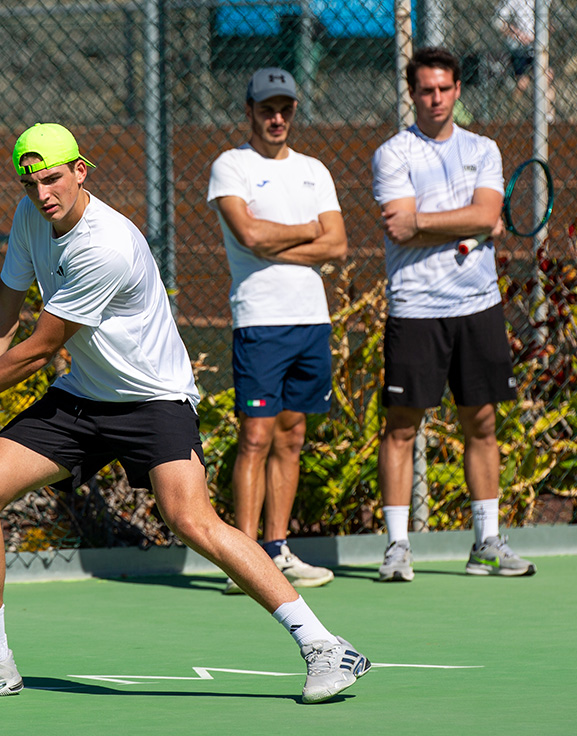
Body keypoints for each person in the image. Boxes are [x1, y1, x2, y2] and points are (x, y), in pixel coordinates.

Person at [0, 123, 370, 703]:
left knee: (192, 521)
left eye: (52, 179)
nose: (42, 194)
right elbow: (3, 313)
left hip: (154, 399)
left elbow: (40, 347)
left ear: (81, 171)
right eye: (30, 184)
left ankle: (326, 646)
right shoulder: (31, 216)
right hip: (85, 396)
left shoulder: (105, 244)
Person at [370, 48, 536, 582]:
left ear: (458, 90)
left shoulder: (484, 149)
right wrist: (470, 223)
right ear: (412, 94)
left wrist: (426, 221)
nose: (436, 99)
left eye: (444, 89)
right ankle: (397, 548)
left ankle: (486, 543)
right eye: (426, 90)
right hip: (415, 307)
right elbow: (399, 229)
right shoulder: (393, 154)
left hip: (478, 305)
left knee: (481, 422)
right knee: (402, 427)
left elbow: (481, 214)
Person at [206, 68, 348, 595]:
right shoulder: (231, 166)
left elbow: (338, 244)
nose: (277, 118)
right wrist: (310, 230)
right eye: (267, 109)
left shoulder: (314, 170)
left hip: (311, 320)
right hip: (260, 321)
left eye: (285, 109)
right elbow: (248, 235)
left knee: (292, 436)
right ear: (250, 112)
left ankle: (276, 550)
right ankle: (244, 561)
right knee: (255, 436)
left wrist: (279, 241)